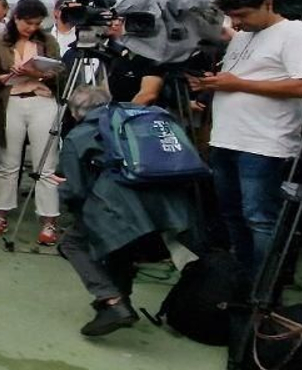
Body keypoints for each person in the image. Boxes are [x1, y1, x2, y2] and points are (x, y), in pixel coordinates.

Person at [188, 0, 302, 278]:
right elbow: (237, 80)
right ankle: (243, 278)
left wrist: (239, 83)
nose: (237, 22)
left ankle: (263, 284)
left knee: (260, 218)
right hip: (227, 140)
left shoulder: (298, 33)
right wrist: (211, 83)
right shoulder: (242, 38)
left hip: (264, 144)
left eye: (243, 15)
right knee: (233, 215)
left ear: (268, 4)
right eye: (233, 16)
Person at [57, 87, 198, 336]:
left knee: (72, 243)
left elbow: (76, 191)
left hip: (121, 205)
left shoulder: (77, 136)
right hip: (167, 203)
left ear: (75, 112)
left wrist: (63, 193)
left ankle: (112, 301)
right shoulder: (134, 119)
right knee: (123, 244)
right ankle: (122, 299)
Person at [0, 0, 66, 246]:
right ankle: (1, 214)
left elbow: (60, 75)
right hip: (11, 102)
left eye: (37, 23)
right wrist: (4, 77)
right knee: (8, 162)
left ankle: (49, 220)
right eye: (28, 23)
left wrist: (37, 74)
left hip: (42, 101)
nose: (32, 28)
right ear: (16, 19)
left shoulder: (48, 42)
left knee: (46, 164)